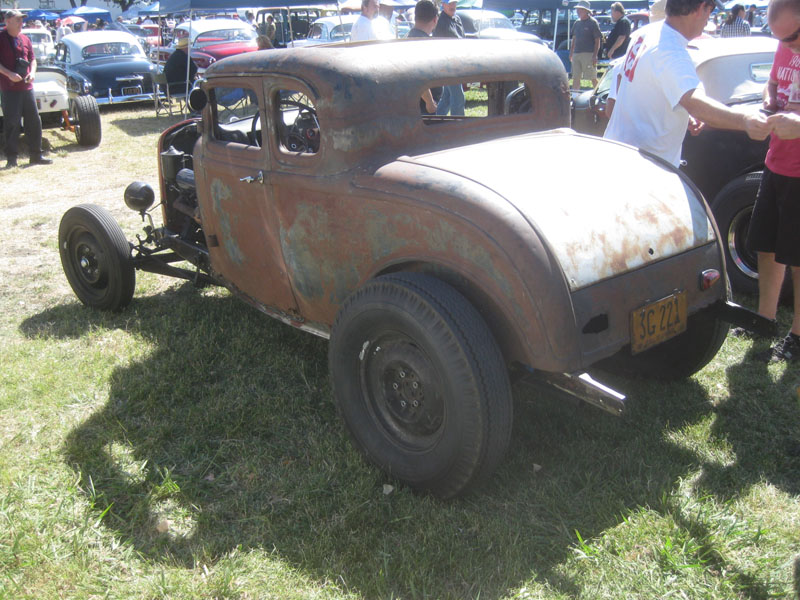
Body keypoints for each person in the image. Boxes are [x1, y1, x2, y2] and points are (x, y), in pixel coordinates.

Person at [603, 0, 771, 168]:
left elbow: (633, 84)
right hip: (645, 167)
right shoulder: (672, 51)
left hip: (619, 152)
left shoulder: (646, 33)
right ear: (700, 8)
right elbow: (695, 103)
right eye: (710, 10)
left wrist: (681, 108)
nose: (708, 19)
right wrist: (745, 120)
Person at [745, 0, 800, 362]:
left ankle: (797, 336)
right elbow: (772, 83)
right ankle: (765, 320)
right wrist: (767, 105)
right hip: (776, 163)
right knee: (766, 245)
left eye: (793, 36)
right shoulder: (784, 43)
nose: (787, 43)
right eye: (780, 37)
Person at [0, 9, 51, 167]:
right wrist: (9, 74)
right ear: (7, 21)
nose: (21, 23)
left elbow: (33, 59)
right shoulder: (1, 38)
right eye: (18, 20)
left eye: (22, 20)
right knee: (12, 123)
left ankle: (36, 155)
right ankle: (12, 159)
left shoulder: (25, 39)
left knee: (34, 121)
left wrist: (32, 73)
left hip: (27, 87)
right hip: (9, 89)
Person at [433, 0, 465, 115]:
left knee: (447, 97)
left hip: (458, 62)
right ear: (443, 5)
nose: (453, 6)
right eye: (450, 3)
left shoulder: (457, 19)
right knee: (458, 97)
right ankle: (459, 125)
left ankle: (437, 121)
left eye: (454, 3)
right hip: (448, 64)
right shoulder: (440, 22)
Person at [407, 0, 438, 114]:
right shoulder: (421, 43)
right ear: (435, 19)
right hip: (423, 108)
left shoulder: (410, 38)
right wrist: (429, 102)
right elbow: (417, 74)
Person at [569, 0, 602, 90]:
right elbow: (574, 39)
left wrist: (595, 55)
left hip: (589, 54)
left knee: (592, 77)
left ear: (587, 11)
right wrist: (571, 53)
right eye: (578, 10)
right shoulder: (576, 23)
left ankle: (599, 94)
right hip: (576, 53)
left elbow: (597, 40)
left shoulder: (593, 23)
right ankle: (575, 98)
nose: (578, 12)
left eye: (581, 10)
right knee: (576, 77)